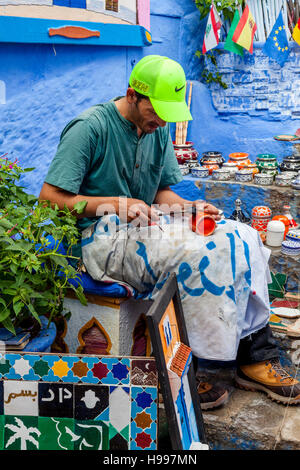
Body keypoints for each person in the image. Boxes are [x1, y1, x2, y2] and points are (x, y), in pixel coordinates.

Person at [39, 54, 300, 409]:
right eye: (156, 110)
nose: (162, 120)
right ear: (133, 94)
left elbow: (161, 191)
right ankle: (190, 369)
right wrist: (118, 204)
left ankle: (255, 355)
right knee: (201, 254)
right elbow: (50, 199)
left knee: (241, 236)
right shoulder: (90, 127)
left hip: (144, 227)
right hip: (102, 239)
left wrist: (188, 208)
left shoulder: (156, 131)